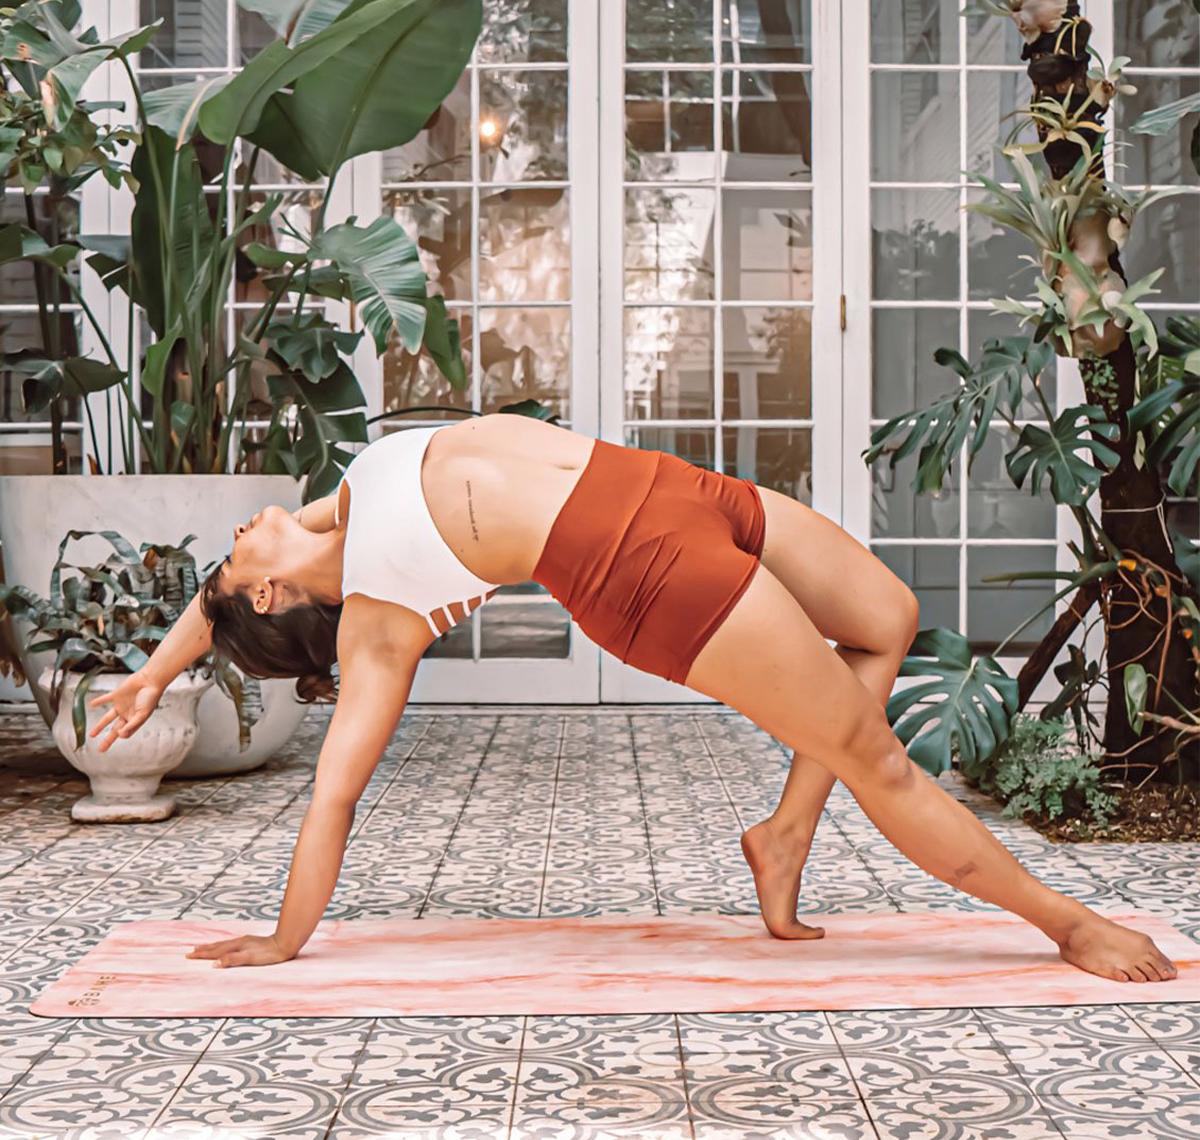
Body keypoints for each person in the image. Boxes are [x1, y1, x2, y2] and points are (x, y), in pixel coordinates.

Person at [89, 413, 1177, 984]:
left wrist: (150, 673)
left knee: (887, 618)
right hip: (648, 575)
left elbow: (210, 606)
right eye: (233, 558)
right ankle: (1065, 923)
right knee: (875, 757)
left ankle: (786, 834)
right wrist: (283, 940)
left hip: (677, 490)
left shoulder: (337, 506)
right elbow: (333, 799)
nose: (233, 536)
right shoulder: (383, 618)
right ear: (270, 591)